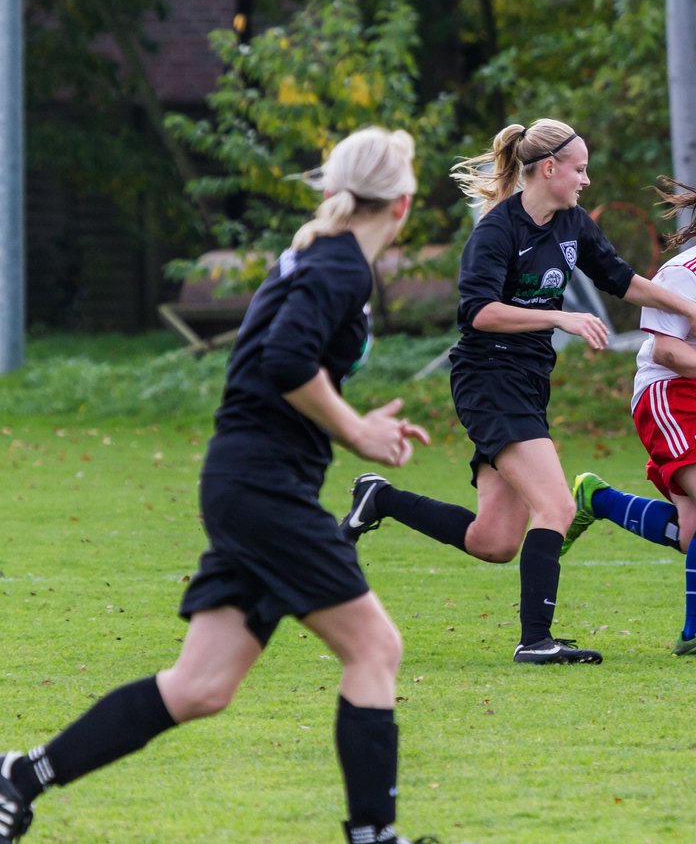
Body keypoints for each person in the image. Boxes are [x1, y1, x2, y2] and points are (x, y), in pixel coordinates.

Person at [0, 128, 437, 844]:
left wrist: (349, 421)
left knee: (200, 687)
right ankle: (375, 837)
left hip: (250, 482)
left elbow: (285, 365)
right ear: (404, 204)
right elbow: (283, 359)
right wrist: (356, 430)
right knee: (375, 649)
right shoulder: (338, 266)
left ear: (335, 190)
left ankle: (19, 779)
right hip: (262, 489)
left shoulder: (319, 257)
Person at [336, 118, 696, 666]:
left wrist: (691, 308)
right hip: (488, 379)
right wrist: (559, 317)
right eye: (580, 169)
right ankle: (535, 640)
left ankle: (382, 499)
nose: (586, 180)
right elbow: (480, 312)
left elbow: (623, 280)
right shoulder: (497, 231)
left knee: (493, 541)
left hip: (527, 382)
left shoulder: (571, 225)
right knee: (558, 505)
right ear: (548, 169)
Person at [558, 172, 696, 658]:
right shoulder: (688, 271)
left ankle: (595, 499)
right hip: (668, 392)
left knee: (691, 534)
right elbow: (665, 352)